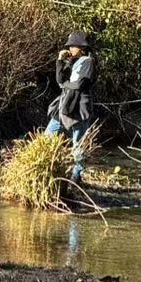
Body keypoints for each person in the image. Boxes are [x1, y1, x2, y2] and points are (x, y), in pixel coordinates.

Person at [46, 32, 97, 182]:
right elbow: (59, 79)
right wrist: (60, 61)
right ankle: (48, 170)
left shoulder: (88, 62)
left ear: (81, 47)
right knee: (48, 137)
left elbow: (79, 85)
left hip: (79, 108)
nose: (70, 49)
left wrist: (64, 85)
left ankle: (77, 176)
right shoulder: (71, 61)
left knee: (78, 145)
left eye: (72, 46)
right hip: (64, 105)